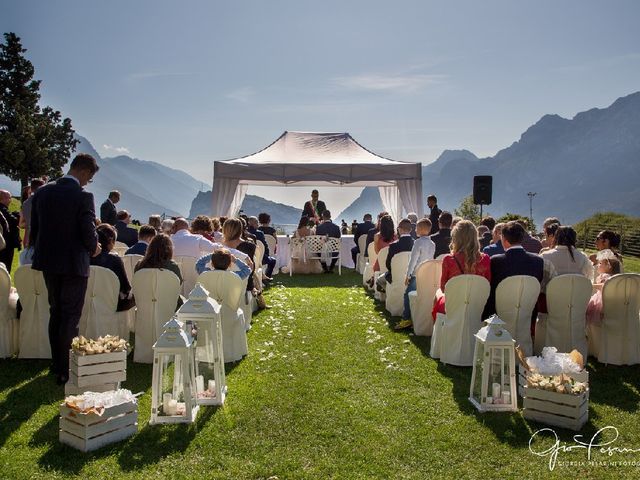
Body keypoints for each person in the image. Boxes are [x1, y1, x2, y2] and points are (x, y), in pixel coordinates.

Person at [30, 153, 101, 384]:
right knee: (70, 316)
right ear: (85, 172)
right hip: (73, 262)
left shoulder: (43, 192)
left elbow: (36, 228)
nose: (87, 182)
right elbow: (87, 229)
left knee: (56, 312)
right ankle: (65, 368)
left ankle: (55, 363)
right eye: (89, 178)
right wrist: (95, 247)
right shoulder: (83, 196)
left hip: (48, 260)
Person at [432, 220, 491, 321]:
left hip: (453, 305)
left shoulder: (449, 260)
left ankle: (438, 334)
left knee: (437, 296)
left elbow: (443, 288)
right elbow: (487, 283)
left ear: (456, 238)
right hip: (477, 306)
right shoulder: (485, 259)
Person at [485, 221, 544, 318]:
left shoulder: (496, 261)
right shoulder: (538, 261)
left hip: (498, 314)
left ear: (504, 239)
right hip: (527, 314)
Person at [397, 218, 436, 329]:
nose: (415, 229)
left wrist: (408, 275)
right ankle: (421, 317)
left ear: (422, 229)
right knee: (424, 296)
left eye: (417, 227)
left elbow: (413, 260)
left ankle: (406, 319)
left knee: (407, 295)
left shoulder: (418, 242)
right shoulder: (432, 243)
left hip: (416, 274)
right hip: (427, 273)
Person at [91, 224, 134, 311]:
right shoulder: (114, 260)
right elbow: (125, 288)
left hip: (85, 304)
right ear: (111, 241)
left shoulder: (85, 257)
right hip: (110, 306)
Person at [376, 218, 414, 293]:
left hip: (396, 276)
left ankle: (389, 293)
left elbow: (388, 264)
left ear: (399, 229)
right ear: (411, 230)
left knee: (379, 280)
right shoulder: (416, 244)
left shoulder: (393, 246)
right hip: (412, 276)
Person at [586, 250, 621, 325]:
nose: (598, 265)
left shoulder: (606, 276)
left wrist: (592, 285)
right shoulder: (612, 277)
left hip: (602, 300)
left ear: (608, 266)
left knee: (591, 310)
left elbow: (605, 286)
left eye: (600, 263)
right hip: (609, 299)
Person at [19, 178, 46, 248]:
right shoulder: (44, 201)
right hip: (40, 237)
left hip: (27, 237)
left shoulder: (25, 203)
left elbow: (21, 224)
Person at [369, 215, 396, 282]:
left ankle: (374, 279)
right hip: (393, 263)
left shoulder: (377, 236)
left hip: (380, 263)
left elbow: (377, 252)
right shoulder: (396, 236)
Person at [0, 190, 21, 272]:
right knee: (6, 267)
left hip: (3, 243)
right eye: (9, 198)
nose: (10, 200)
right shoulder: (2, 208)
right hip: (6, 244)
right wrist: (18, 215)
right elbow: (13, 220)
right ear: (3, 199)